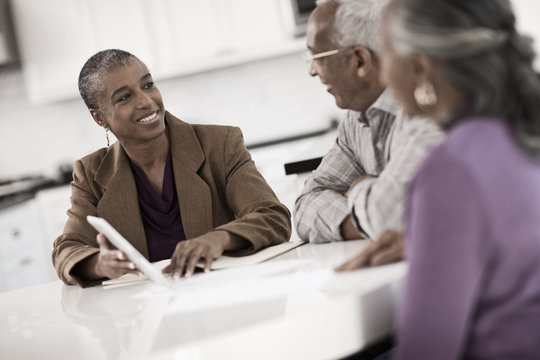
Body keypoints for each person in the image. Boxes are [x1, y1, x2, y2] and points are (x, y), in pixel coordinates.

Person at [355, 0, 540, 358]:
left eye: (387, 54)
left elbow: (427, 350)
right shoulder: (522, 133)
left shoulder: (451, 168)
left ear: (420, 68)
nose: (382, 78)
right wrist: (435, 240)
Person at [52, 49, 291, 287]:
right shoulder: (91, 173)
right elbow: (66, 250)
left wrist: (218, 239)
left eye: (148, 85)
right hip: (149, 310)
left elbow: (273, 217)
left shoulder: (220, 143)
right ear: (99, 118)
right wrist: (99, 264)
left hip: (225, 296)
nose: (146, 101)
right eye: (124, 97)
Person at [294, 0, 442, 246]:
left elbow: (392, 218)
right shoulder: (354, 120)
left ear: (359, 61)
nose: (312, 71)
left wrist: (363, 189)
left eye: (316, 56)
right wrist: (368, 215)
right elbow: (306, 204)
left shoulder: (425, 110)